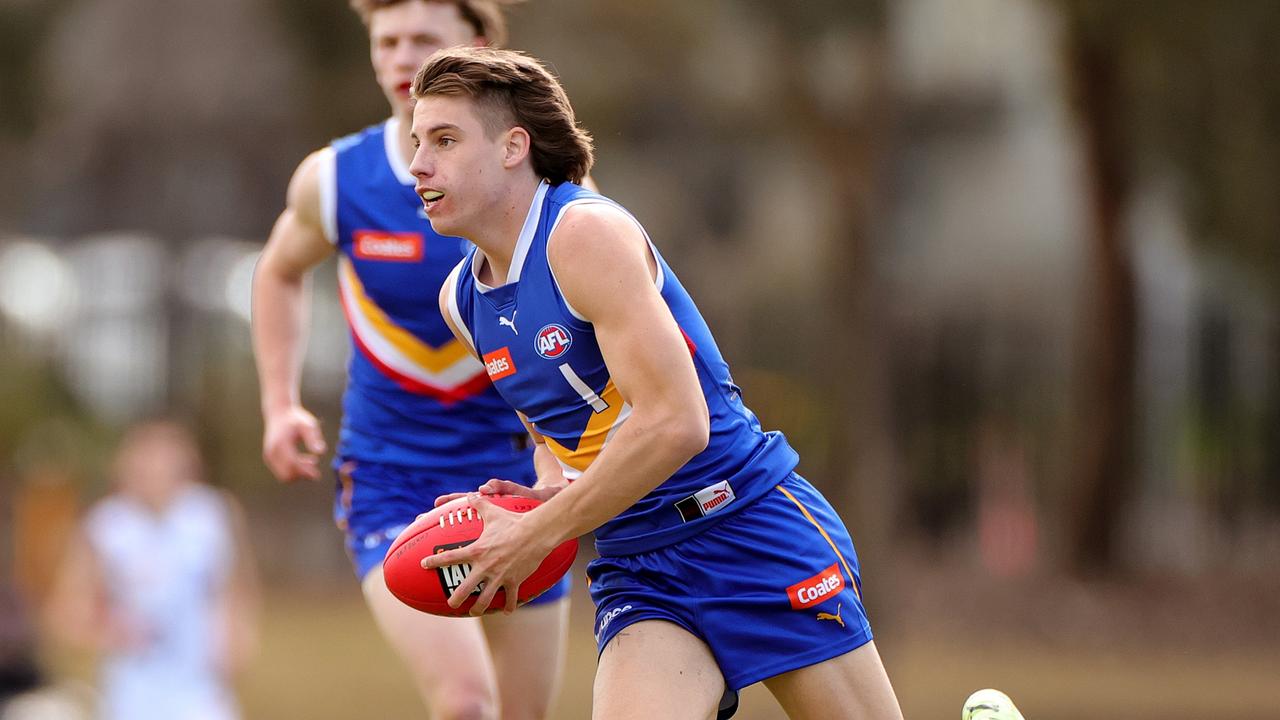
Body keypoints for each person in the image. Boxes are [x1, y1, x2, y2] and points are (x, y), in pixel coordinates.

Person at [408, 46, 904, 719]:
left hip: (747, 525)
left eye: (444, 139)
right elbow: (558, 432)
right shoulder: (462, 303)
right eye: (416, 141)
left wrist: (536, 534)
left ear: (512, 148)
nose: (418, 165)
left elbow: (677, 421)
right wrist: (545, 490)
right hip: (640, 565)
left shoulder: (583, 236)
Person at [250, 2, 570, 718]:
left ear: (478, 47)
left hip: (517, 481)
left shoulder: (538, 183)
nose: (401, 58)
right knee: (465, 704)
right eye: (385, 41)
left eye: (423, 40)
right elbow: (276, 272)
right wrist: (279, 402)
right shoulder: (336, 179)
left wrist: (561, 461)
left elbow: (589, 321)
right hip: (392, 478)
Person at [43, 420, 259, 720]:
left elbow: (237, 589)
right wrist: (109, 631)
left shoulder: (213, 514)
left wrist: (238, 639)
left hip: (202, 692)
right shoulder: (105, 526)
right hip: (132, 694)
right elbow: (65, 613)